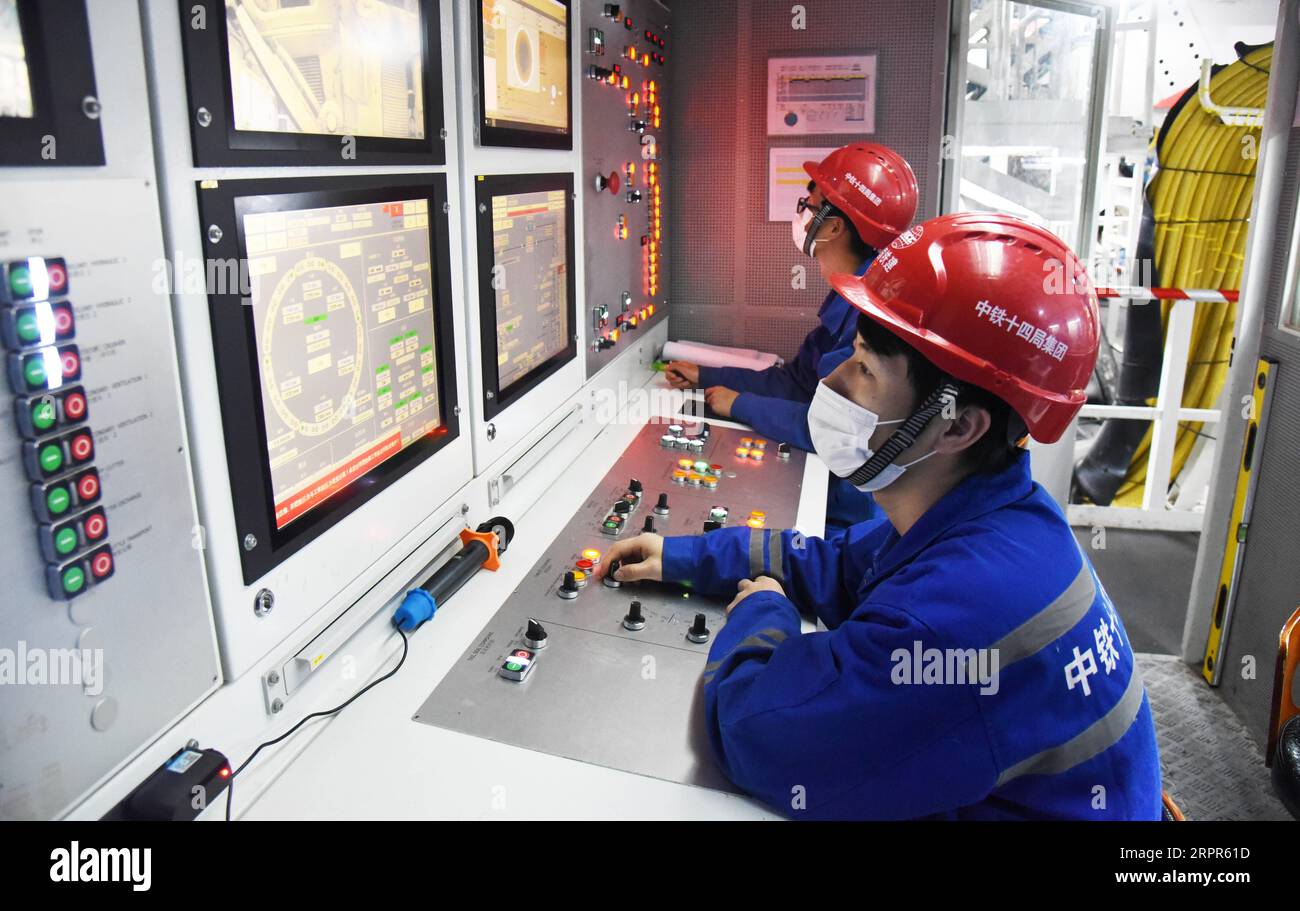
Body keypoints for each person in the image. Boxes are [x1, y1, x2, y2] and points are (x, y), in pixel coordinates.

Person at [599, 213, 1163, 820]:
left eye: (864, 368)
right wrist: (684, 556)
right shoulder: (995, 515)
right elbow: (838, 564)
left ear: (957, 425)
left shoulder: (958, 619)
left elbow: (758, 734)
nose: (833, 381)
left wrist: (764, 611)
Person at [665, 143, 918, 530]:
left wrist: (739, 405)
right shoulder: (852, 296)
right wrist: (709, 377)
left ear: (834, 226)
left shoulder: (869, 317)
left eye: (809, 205)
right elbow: (798, 382)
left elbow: (832, 428)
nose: (801, 214)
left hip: (849, 516)